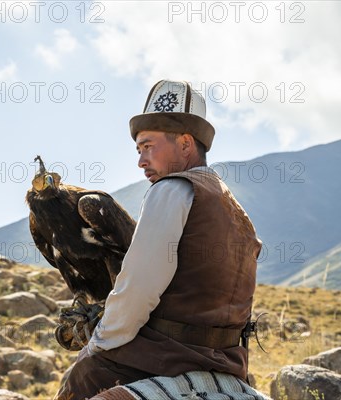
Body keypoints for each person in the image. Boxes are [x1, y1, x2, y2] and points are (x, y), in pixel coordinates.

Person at [56, 80, 262, 400]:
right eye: (138, 150)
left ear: (184, 144)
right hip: (230, 363)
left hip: (170, 358)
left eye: (148, 146)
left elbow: (139, 288)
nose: (140, 161)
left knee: (83, 376)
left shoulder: (172, 190)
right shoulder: (236, 211)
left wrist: (97, 344)